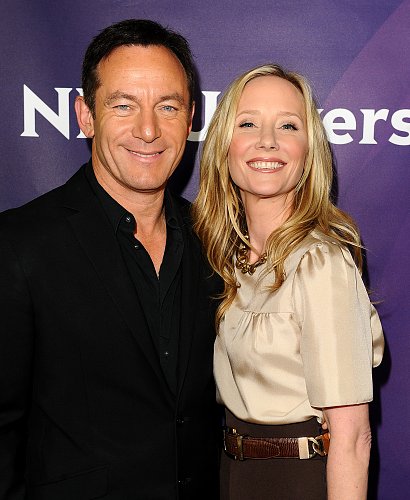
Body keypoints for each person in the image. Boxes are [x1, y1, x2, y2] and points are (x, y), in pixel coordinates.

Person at [0, 19, 222, 500]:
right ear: (86, 115)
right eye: (124, 105)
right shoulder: (18, 245)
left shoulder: (214, 239)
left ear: (190, 119)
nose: (148, 130)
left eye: (168, 107)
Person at [193, 64, 384, 499]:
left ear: (308, 150)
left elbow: (353, 438)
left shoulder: (320, 263)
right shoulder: (229, 259)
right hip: (233, 474)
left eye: (288, 125)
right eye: (248, 123)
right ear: (224, 145)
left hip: (299, 480)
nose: (267, 140)